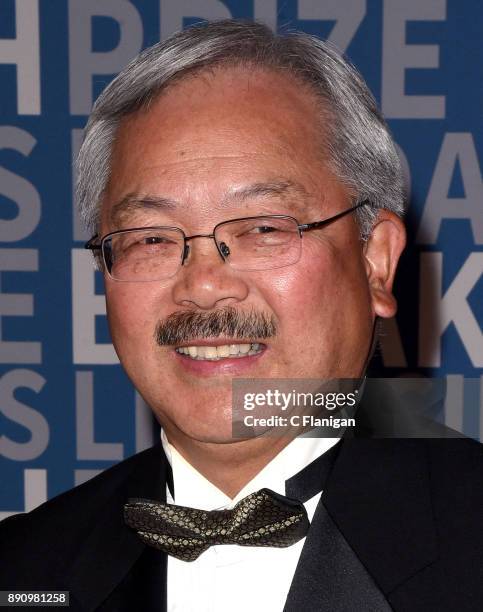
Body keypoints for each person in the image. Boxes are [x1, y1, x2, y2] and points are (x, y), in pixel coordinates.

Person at [1, 19, 482, 612]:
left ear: (376, 262)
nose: (203, 286)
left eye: (263, 229)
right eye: (150, 238)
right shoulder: (24, 568)